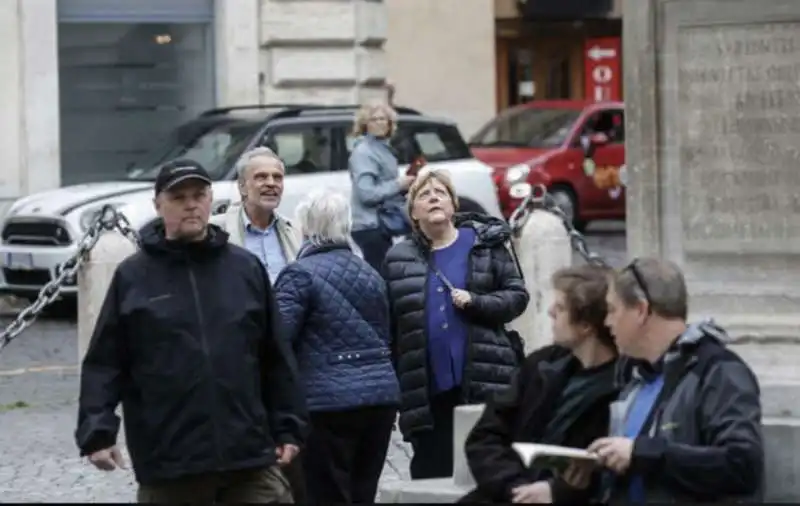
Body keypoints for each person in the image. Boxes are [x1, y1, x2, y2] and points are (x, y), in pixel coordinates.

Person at [75, 159, 308, 503]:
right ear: (158, 204)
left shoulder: (243, 268)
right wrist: (97, 431)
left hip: (249, 455)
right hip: (171, 461)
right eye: (179, 197)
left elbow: (275, 355)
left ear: (210, 199)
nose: (191, 204)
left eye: (199, 195)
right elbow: (105, 362)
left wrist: (289, 425)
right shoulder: (134, 277)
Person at [382, 169, 529, 480]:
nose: (434, 197)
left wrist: (477, 302)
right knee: (431, 474)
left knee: (486, 472)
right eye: (424, 194)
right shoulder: (398, 259)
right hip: (428, 388)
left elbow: (517, 297)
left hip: (484, 378)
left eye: (441, 192)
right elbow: (391, 326)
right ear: (413, 213)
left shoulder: (484, 245)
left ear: (453, 205)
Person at [593, 257, 763, 503]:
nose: (607, 322)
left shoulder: (719, 372)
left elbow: (741, 465)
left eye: (612, 310)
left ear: (641, 310)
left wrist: (642, 454)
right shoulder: (634, 376)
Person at [274, 189, 400, 505]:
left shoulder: (298, 274)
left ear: (305, 228)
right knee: (362, 493)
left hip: (325, 404)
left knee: (324, 493)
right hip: (379, 398)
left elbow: (277, 339)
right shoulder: (370, 272)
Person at [462, 265, 625, 504]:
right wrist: (515, 487)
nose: (550, 312)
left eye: (559, 308)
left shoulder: (623, 386)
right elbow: (485, 436)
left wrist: (556, 492)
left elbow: (607, 473)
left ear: (586, 326)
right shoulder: (543, 364)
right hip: (508, 492)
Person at [210, 146, 302, 282]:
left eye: (277, 178)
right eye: (261, 177)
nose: (271, 183)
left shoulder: (295, 231)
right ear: (242, 186)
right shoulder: (215, 230)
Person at [349, 100, 415, 271]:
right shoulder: (364, 152)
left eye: (383, 119)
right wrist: (398, 185)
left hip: (381, 223)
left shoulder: (383, 149)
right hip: (370, 225)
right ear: (365, 124)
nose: (379, 123)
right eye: (374, 119)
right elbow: (367, 194)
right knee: (380, 273)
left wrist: (406, 185)